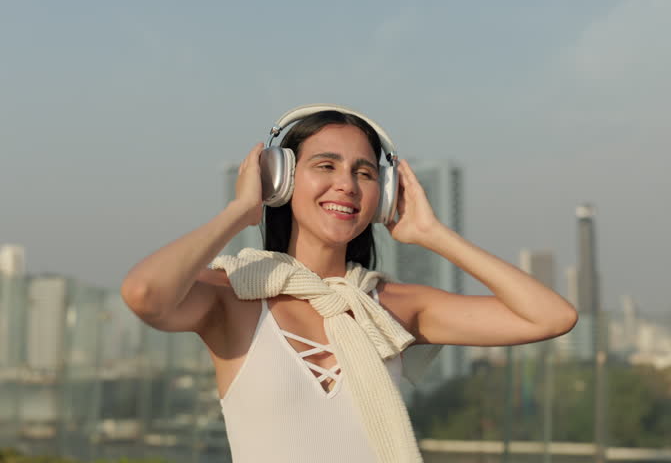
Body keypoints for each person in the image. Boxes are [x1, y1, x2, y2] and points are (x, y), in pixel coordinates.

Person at [121, 108, 578, 462]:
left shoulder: (389, 306)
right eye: (326, 165)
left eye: (364, 172)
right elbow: (145, 294)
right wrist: (239, 212)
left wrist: (433, 234)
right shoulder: (234, 295)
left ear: (384, 193)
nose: (347, 185)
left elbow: (552, 317)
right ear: (281, 180)